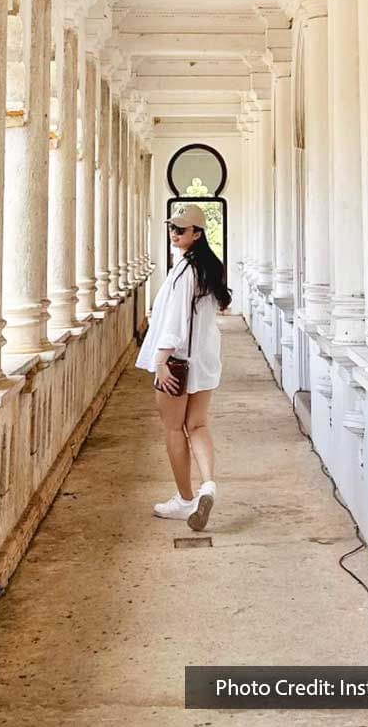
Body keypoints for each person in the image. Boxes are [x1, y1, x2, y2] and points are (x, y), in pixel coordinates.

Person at [136, 203, 231, 531]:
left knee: (174, 428)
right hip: (204, 361)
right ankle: (208, 485)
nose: (174, 233)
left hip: (177, 362)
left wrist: (160, 360)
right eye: (172, 228)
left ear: (197, 233)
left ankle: (186, 499)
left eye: (181, 229)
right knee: (199, 425)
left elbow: (174, 323)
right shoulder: (209, 268)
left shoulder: (185, 272)